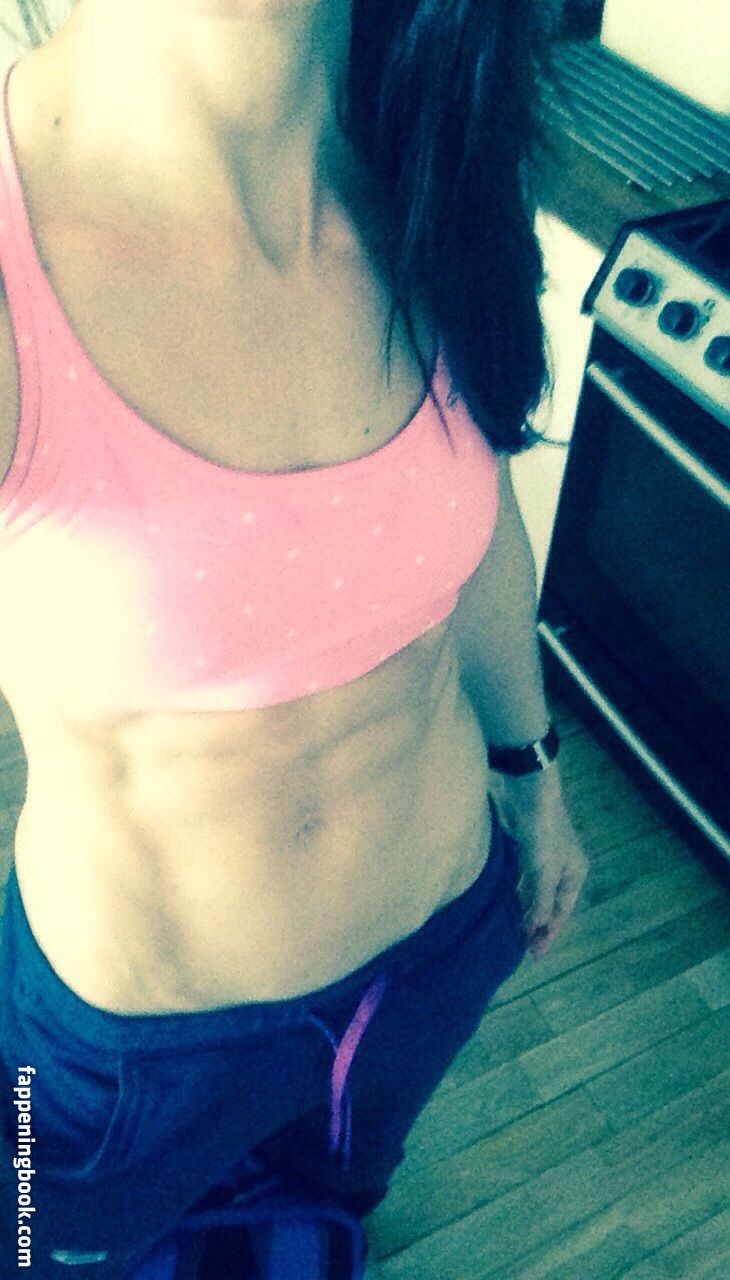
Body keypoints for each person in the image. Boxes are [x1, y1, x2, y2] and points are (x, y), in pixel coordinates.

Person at [0, 1, 589, 1276]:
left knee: (336, 1203)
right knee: (50, 1248)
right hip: (130, 1055)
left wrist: (531, 768)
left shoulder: (437, 156)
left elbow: (478, 516)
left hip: (430, 958)